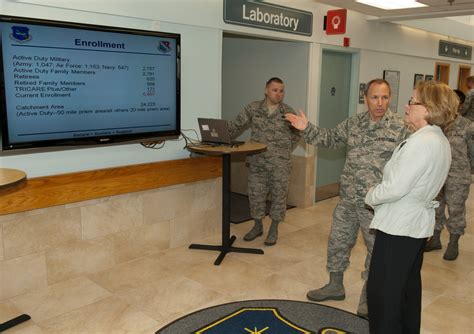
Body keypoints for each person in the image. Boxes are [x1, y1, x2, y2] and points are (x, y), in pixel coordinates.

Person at [285, 78, 408, 318]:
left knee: (376, 252)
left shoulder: (401, 127)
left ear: (390, 98)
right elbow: (329, 138)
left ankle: (369, 298)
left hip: (377, 205)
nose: (380, 103)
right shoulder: (355, 122)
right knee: (338, 241)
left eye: (385, 97)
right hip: (349, 198)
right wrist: (305, 127)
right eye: (375, 97)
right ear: (365, 98)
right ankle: (335, 285)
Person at [365, 80, 456, 333]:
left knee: (384, 297)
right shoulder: (437, 139)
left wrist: (371, 195)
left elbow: (395, 188)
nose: (406, 106)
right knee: (406, 291)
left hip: (399, 227)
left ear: (428, 108)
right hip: (413, 226)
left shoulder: (421, 143)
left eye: (413, 101)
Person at [228, 77, 301, 246]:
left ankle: (274, 228)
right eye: (275, 90)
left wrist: (283, 150)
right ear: (266, 90)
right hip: (257, 161)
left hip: (279, 164)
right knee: (255, 195)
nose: (278, 94)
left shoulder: (287, 112)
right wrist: (220, 137)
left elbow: (297, 134)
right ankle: (258, 226)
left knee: (279, 197)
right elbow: (235, 125)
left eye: (281, 91)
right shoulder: (254, 108)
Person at [424, 89, 474, 260]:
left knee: (456, 210)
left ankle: (453, 243)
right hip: (437, 173)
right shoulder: (436, 124)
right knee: (435, 207)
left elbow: (473, 153)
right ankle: (435, 239)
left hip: (458, 176)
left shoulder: (467, 126)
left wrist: (469, 171)